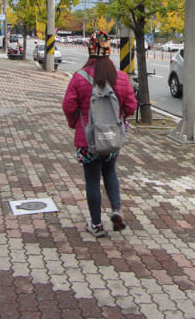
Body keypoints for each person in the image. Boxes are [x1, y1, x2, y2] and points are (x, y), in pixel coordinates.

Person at [62, 31, 137, 238]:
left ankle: (96, 225)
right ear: (109, 51)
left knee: (92, 180)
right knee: (110, 171)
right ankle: (116, 209)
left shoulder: (79, 77)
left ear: (89, 50)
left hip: (88, 140)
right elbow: (131, 105)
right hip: (112, 138)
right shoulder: (120, 77)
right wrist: (120, 119)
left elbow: (68, 106)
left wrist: (74, 125)